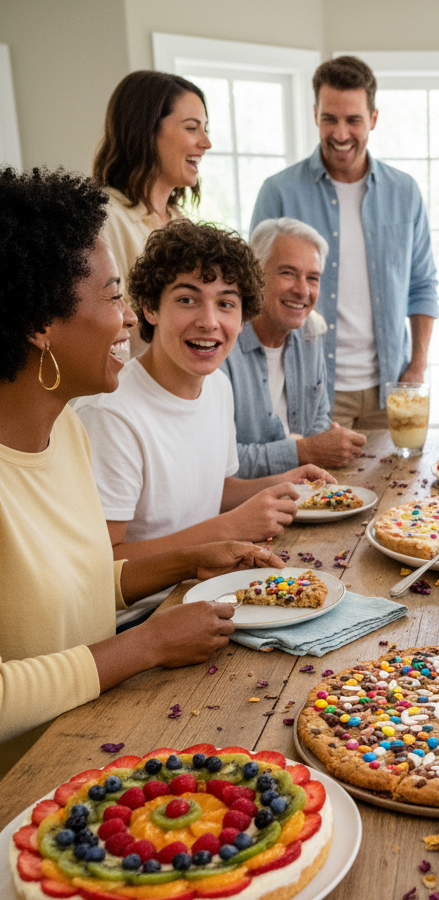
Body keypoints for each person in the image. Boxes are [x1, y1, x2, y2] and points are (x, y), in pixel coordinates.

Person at [0, 167, 281, 773]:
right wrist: (146, 643)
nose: (128, 319)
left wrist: (190, 559)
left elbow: (82, 588)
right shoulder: (96, 420)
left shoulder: (65, 431)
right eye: (111, 297)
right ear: (38, 324)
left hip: (97, 733)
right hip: (28, 786)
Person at [76, 219, 333, 628]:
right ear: (150, 307)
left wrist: (279, 484)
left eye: (226, 303)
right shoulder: (112, 414)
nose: (209, 321)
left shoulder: (217, 387)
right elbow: (102, 562)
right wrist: (228, 528)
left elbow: (216, 489)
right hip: (142, 620)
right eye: (187, 300)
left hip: (207, 591)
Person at [250, 55, 438, 430]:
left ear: (373, 118)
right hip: (308, 386)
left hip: (391, 389)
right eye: (329, 119)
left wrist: (416, 366)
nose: (340, 134)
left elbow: (422, 286)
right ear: (315, 114)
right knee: (322, 490)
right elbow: (253, 291)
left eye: (353, 120)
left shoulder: (405, 192)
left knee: (397, 487)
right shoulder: (279, 192)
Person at [220, 218, 366, 477]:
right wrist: (304, 451)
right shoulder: (220, 344)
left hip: (302, 491)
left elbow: (318, 420)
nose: (302, 290)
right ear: (254, 275)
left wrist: (325, 443)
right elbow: (221, 461)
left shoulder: (311, 330)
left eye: (313, 278)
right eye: (287, 273)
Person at [93, 71, 211, 358]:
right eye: (192, 128)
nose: (206, 143)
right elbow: (103, 333)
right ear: (146, 130)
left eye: (205, 128)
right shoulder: (104, 219)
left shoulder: (180, 222)